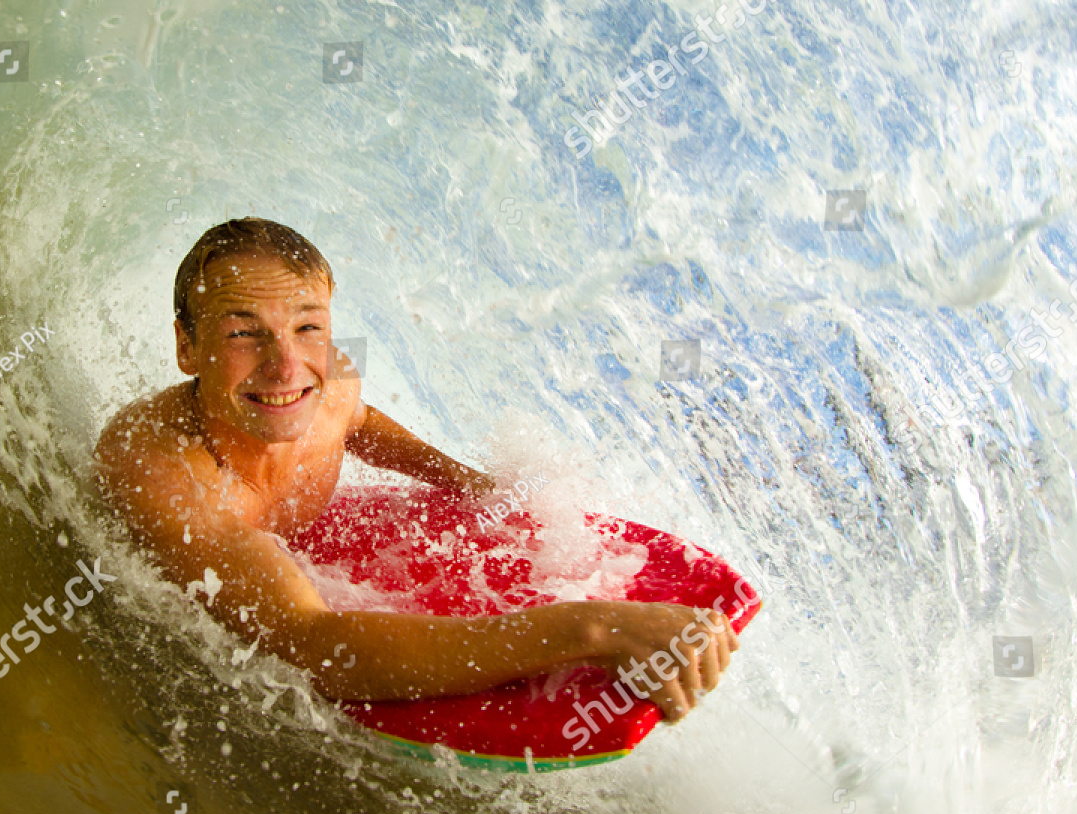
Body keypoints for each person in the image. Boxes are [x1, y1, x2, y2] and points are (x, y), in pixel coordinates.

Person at [94, 219, 735, 719]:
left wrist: (467, 482)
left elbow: (362, 422)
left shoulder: (328, 383)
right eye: (243, 334)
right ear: (186, 347)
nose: (286, 367)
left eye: (308, 327)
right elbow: (320, 651)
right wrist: (592, 625)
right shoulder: (168, 477)